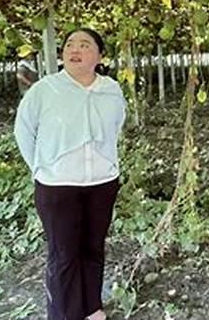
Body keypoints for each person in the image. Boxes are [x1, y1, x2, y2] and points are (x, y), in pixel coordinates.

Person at [14, 28, 126, 320]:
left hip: (102, 183)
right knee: (64, 255)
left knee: (93, 249)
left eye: (85, 45)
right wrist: (40, 168)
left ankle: (91, 308)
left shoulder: (111, 89)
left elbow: (115, 126)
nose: (75, 49)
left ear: (100, 56)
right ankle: (65, 313)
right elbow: (24, 131)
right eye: (69, 45)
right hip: (57, 186)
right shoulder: (46, 89)